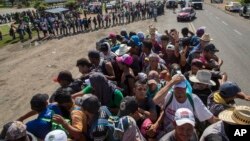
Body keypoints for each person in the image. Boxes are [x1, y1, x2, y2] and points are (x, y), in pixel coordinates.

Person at [153, 74, 218, 134]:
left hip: (185, 133)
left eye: (182, 89)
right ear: (173, 89)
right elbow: (155, 100)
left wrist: (224, 124)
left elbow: (210, 118)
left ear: (186, 88)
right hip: (168, 132)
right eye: (177, 89)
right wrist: (171, 82)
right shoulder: (169, 95)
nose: (180, 92)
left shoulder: (193, 99)